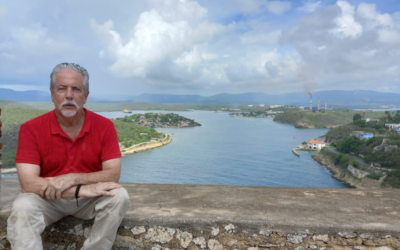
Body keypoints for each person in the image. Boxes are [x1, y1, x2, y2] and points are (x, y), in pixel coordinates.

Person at [7, 63, 131, 250]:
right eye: (62, 88)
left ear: (86, 96)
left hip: (89, 198)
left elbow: (113, 175)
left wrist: (72, 178)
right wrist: (79, 190)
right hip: (48, 198)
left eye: (76, 89)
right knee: (22, 207)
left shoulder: (104, 126)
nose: (69, 95)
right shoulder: (31, 129)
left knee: (119, 197)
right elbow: (28, 184)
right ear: (52, 94)